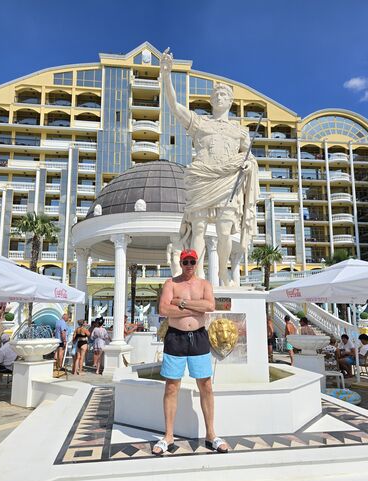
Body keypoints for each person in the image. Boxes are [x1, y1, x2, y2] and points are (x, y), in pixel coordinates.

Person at [160, 49, 259, 286]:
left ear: (230, 101)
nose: (219, 97)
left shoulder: (239, 130)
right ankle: (197, 276)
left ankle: (223, 274)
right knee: (199, 229)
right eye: (216, 94)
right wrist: (166, 75)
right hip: (202, 179)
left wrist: (249, 163)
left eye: (224, 94)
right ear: (211, 100)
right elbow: (174, 106)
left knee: (224, 231)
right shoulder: (200, 123)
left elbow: (249, 156)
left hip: (228, 182)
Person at [153, 248, 228, 456]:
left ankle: (211, 434)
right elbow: (164, 309)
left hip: (199, 338)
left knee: (206, 385)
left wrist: (180, 303)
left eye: (192, 262)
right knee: (171, 386)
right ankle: (169, 435)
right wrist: (196, 307)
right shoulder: (171, 283)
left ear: (196, 263)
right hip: (175, 338)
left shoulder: (204, 284)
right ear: (180, 263)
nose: (188, 266)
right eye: (185, 262)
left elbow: (210, 306)